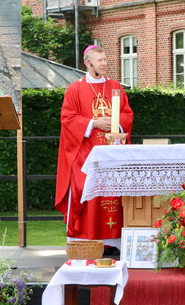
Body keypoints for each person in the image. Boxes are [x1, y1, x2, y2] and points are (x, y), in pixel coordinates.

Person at [56, 45, 133, 256]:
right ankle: (85, 240)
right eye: (100, 60)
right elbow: (68, 119)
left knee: (113, 197)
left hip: (113, 154)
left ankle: (112, 240)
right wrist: (94, 124)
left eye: (105, 59)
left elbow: (127, 113)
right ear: (88, 64)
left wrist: (116, 125)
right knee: (86, 194)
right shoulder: (74, 89)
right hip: (86, 153)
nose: (105, 63)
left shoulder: (115, 86)